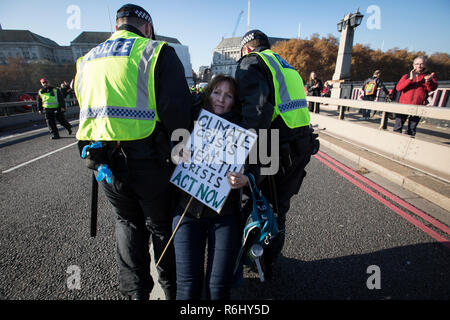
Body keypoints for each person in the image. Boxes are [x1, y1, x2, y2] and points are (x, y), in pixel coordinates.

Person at [74, 3, 193, 300]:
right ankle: (172, 289)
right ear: (148, 28)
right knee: (161, 226)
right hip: (149, 161)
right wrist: (184, 160)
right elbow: (177, 114)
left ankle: (135, 294)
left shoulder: (86, 60)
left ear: (116, 26)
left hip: (104, 162)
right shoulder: (156, 52)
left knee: (127, 224)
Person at [235, 30, 316, 279]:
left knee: (253, 202)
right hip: (301, 144)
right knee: (279, 208)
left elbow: (256, 110)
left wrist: (241, 152)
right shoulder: (287, 66)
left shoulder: (252, 62)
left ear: (246, 49)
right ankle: (269, 260)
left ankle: (251, 257)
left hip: (273, 146)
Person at [172, 75, 251, 300]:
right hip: (188, 211)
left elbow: (258, 168)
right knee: (187, 288)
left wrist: (245, 180)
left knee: (218, 290)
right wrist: (178, 154)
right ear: (209, 93)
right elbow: (170, 153)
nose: (221, 100)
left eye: (228, 96)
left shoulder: (243, 129)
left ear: (234, 101)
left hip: (224, 216)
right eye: (217, 92)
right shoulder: (189, 118)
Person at [393, 56, 438, 136]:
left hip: (418, 105)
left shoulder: (429, 76)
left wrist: (428, 81)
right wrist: (410, 79)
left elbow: (432, 88)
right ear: (413, 65)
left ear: (425, 65)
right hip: (404, 105)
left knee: (411, 129)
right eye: (417, 64)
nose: (419, 66)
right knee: (397, 127)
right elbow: (399, 88)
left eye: (421, 64)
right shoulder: (406, 76)